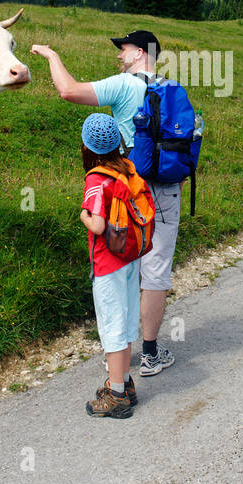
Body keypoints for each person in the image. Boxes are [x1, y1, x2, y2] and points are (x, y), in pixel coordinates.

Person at [31, 30, 179, 377]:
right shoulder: (170, 89)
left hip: (128, 187)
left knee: (124, 265)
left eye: (123, 50)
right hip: (167, 187)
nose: (118, 56)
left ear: (141, 53)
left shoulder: (123, 85)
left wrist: (51, 55)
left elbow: (68, 90)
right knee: (155, 271)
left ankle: (120, 359)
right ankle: (151, 354)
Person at [79, 113, 141, 418]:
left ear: (87, 147)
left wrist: (84, 217)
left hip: (108, 264)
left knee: (112, 326)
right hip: (131, 257)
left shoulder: (96, 178)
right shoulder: (127, 168)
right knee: (126, 322)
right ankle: (125, 382)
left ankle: (116, 396)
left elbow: (100, 225)